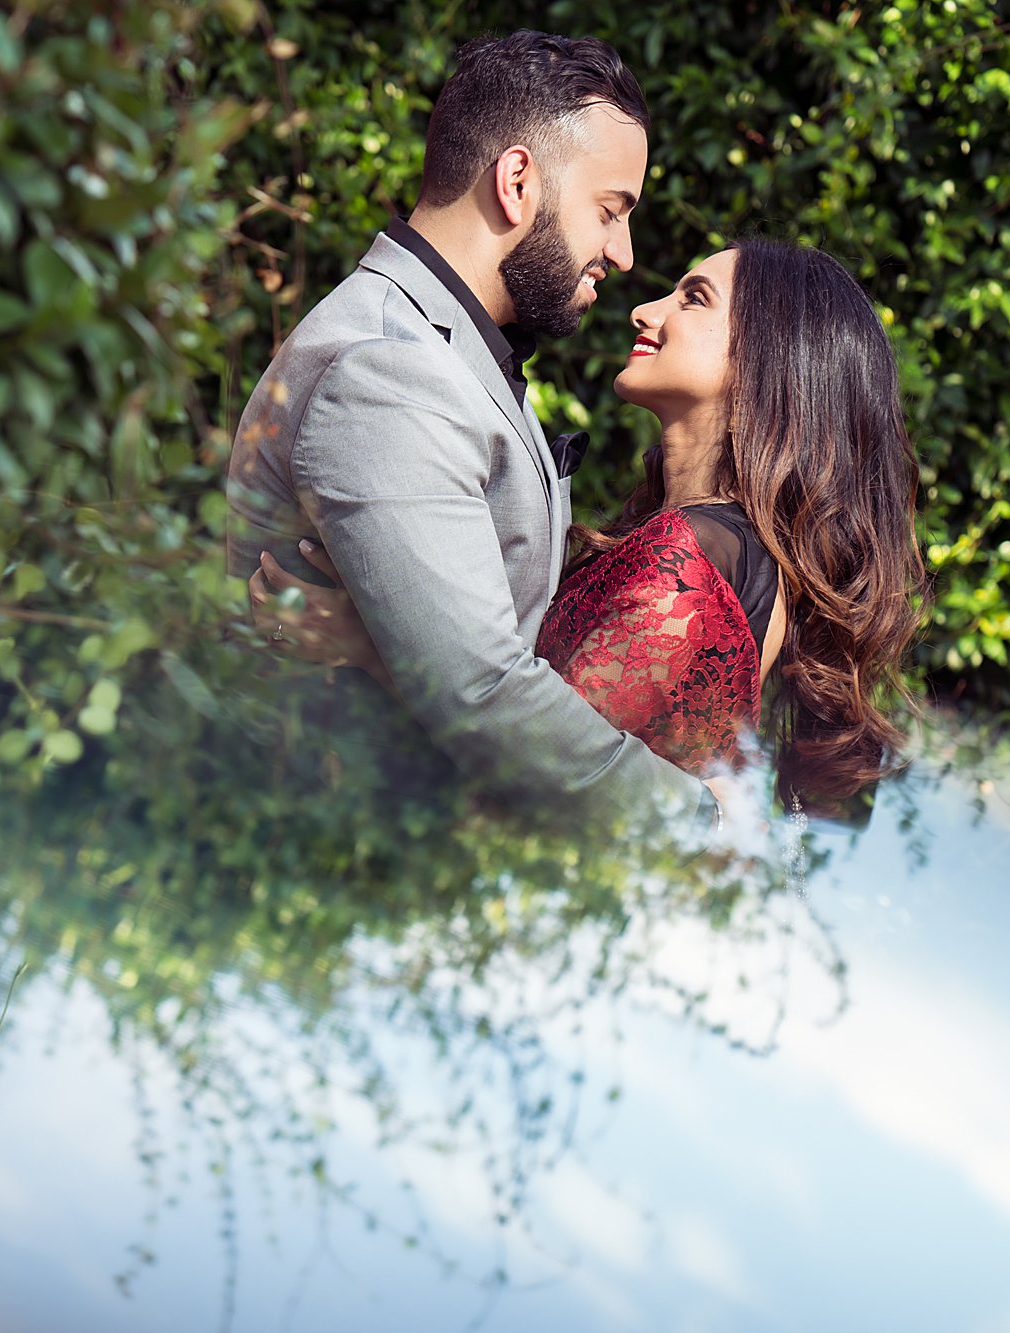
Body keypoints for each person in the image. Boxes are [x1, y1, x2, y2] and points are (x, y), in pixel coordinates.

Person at [225, 30, 725, 830]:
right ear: (518, 181)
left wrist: (382, 650)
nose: (624, 254)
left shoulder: (454, 347)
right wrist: (695, 820)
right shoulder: (391, 374)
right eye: (610, 211)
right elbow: (481, 693)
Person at [266, 240, 928, 813]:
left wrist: (376, 647)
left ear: (768, 354)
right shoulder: (732, 550)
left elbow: (535, 775)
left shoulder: (691, 554)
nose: (647, 311)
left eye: (693, 298)